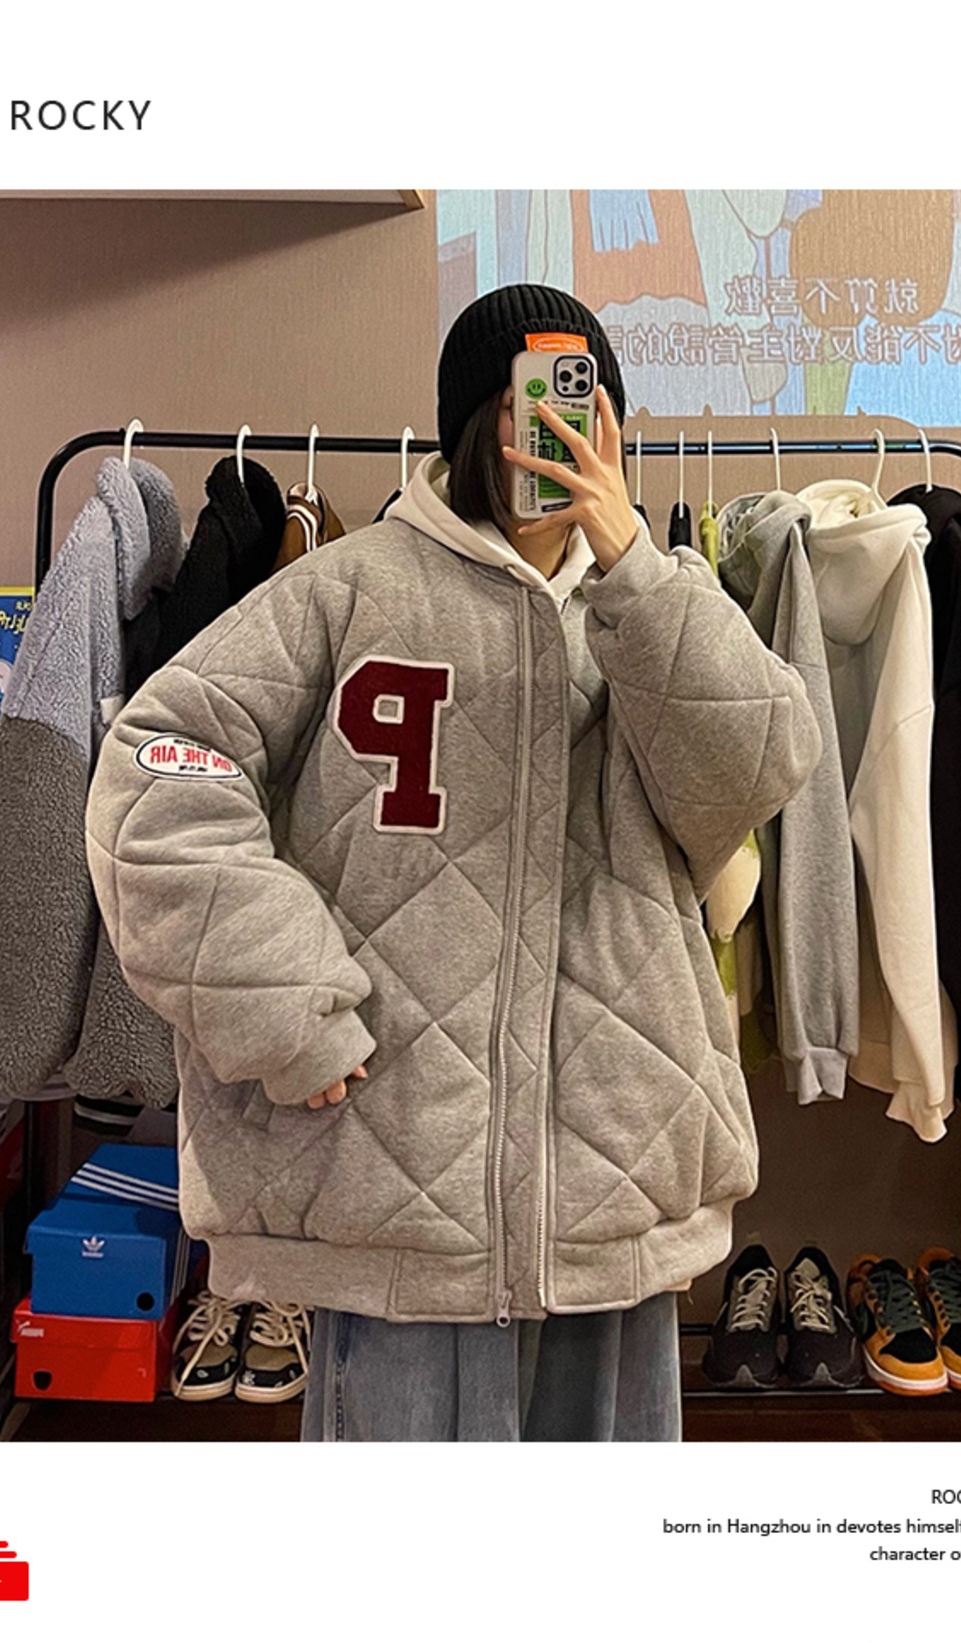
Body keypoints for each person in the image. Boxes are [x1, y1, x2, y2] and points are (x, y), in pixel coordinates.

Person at [86, 284, 821, 1441]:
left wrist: (634, 564)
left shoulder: (654, 607)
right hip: (386, 1171)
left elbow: (754, 770)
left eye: (586, 408)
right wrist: (283, 1006)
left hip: (611, 1174)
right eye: (535, 406)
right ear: (479, 420)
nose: (559, 437)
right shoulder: (344, 590)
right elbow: (157, 775)